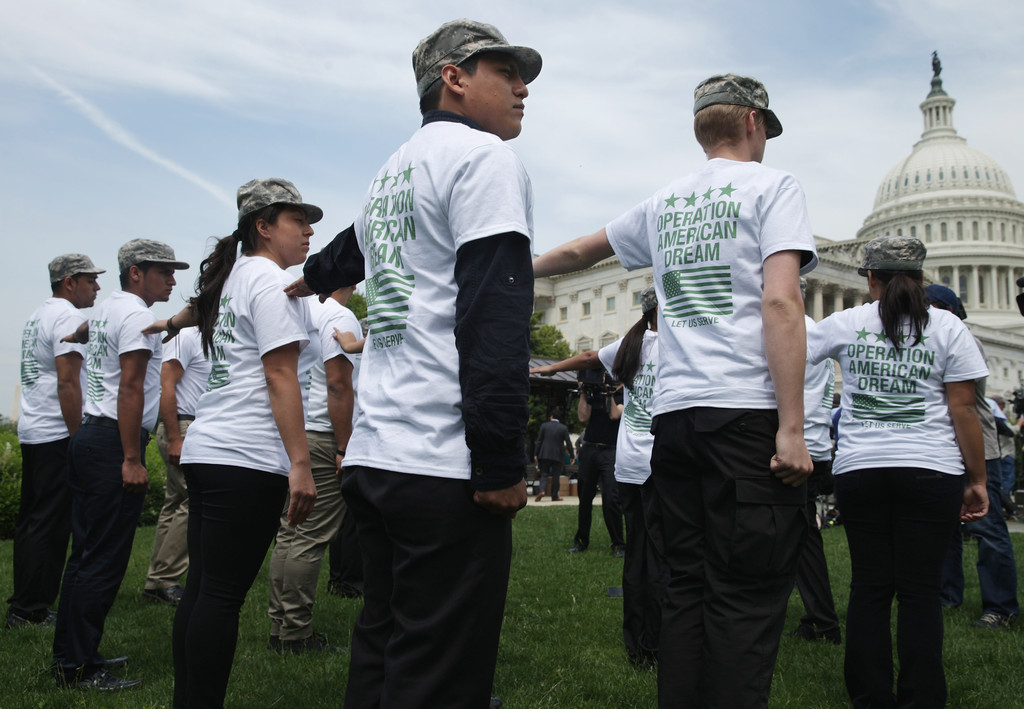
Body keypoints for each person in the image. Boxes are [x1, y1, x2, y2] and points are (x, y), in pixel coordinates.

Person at [533, 74, 816, 707]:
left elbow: (582, 247)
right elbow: (779, 299)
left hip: (676, 423)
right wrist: (792, 428)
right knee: (745, 594)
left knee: (686, 586)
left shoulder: (666, 201)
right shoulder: (775, 186)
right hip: (744, 415)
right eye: (766, 131)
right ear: (751, 122)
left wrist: (510, 267)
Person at [285, 19, 539, 708]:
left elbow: (342, 256)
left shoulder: (393, 172)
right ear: (453, 78)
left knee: (383, 647)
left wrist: (293, 283)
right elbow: (494, 315)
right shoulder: (484, 160)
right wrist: (498, 462)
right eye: (505, 71)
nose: (523, 87)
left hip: (377, 454)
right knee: (439, 674)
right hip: (442, 460)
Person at [153, 178, 320, 708]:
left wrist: (170, 319)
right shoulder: (268, 281)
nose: (310, 229)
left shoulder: (234, 278)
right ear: (263, 226)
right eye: (298, 220)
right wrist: (300, 463)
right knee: (220, 597)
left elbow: (196, 311)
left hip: (210, 448)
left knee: (204, 590)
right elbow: (280, 375)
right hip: (245, 457)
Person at [807, 237, 989, 707]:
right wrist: (977, 480)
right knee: (920, 592)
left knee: (869, 587)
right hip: (931, 470)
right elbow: (964, 410)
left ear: (870, 278)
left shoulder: (847, 322)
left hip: (861, 469)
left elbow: (790, 355)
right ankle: (921, 697)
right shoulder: (948, 327)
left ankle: (869, 697)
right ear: (921, 279)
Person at [52, 240, 187, 691]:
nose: (172, 279)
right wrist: (132, 458)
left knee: (85, 557)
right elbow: (131, 388)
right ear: (135, 273)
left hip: (94, 437)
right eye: (164, 271)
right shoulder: (131, 314)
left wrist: (76, 336)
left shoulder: (111, 308)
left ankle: (73, 657)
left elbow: (94, 332)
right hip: (113, 442)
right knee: (103, 561)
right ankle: (81, 668)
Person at [533, 286, 664, 665]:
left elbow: (590, 355)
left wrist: (549, 368)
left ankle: (635, 643)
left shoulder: (631, 344)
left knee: (637, 554)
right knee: (661, 555)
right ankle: (655, 643)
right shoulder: (674, 343)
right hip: (660, 463)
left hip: (630, 462)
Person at [7, 255, 102, 630]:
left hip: (34, 429)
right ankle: (30, 608)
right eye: (90, 280)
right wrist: (78, 437)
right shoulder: (66, 317)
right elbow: (68, 382)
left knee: (33, 520)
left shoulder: (38, 314)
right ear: (69, 282)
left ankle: (25, 604)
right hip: (56, 433)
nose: (96, 287)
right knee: (49, 524)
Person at [267, 285, 361, 653]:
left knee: (290, 533)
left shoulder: (304, 312)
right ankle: (296, 634)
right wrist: (344, 445)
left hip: (299, 431)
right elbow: (338, 385)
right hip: (326, 435)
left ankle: (281, 624)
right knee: (309, 536)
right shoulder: (339, 316)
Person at [926, 284, 1020, 631]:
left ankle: (1001, 607)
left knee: (987, 528)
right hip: (944, 447)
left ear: (947, 311)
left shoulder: (962, 339)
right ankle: (947, 597)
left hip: (979, 450)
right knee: (946, 529)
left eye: (929, 307)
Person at [142, 326, 209, 606]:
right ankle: (166, 579)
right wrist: (173, 437)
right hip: (181, 425)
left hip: (186, 426)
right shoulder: (188, 336)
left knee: (175, 503)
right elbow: (166, 384)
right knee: (193, 501)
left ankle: (157, 580)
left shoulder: (208, 337)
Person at [787, 310, 841, 645]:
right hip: (814, 442)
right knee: (798, 533)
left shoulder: (787, 326)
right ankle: (819, 618)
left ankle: (822, 620)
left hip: (795, 445)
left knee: (801, 536)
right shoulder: (812, 328)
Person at [571, 373, 624, 555]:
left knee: (611, 498)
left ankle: (618, 543)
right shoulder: (595, 392)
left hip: (611, 450)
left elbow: (614, 414)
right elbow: (583, 417)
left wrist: (608, 393)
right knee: (584, 497)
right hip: (590, 448)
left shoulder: (625, 393)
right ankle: (581, 541)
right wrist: (585, 392)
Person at [533, 410, 574, 501]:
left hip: (545, 453)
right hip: (558, 454)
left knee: (544, 473)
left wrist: (536, 453)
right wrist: (572, 455)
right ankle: (554, 495)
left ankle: (542, 490)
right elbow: (568, 442)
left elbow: (539, 441)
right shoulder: (563, 428)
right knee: (556, 475)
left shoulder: (544, 426)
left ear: (551, 416)